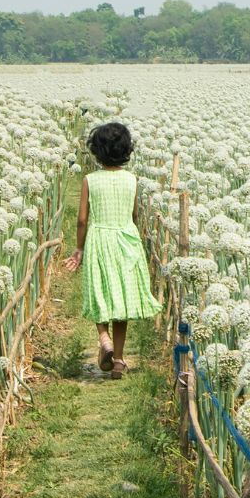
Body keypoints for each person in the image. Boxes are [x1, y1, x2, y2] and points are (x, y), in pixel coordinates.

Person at [61, 120, 158, 375]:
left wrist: (79, 248)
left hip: (99, 239)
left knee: (100, 291)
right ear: (127, 151)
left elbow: (82, 219)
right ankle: (119, 361)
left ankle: (103, 337)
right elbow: (135, 215)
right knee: (121, 298)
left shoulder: (90, 181)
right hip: (125, 240)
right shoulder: (131, 180)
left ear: (96, 151)